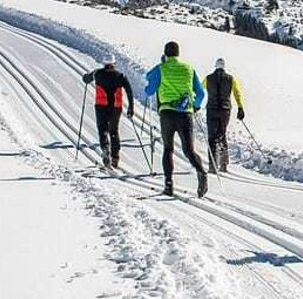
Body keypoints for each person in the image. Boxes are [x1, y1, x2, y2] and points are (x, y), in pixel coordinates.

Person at [145, 41, 208, 197]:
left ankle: (168, 185)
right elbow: (201, 93)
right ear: (178, 53)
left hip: (167, 113)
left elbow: (149, 89)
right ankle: (202, 173)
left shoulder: (161, 69)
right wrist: (196, 106)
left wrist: (161, 65)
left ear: (165, 54)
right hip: (185, 113)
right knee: (189, 150)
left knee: (168, 149)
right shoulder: (189, 69)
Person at [82, 54, 133, 170]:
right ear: (114, 63)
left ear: (104, 63)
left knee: (103, 130)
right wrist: (131, 107)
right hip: (116, 107)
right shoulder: (121, 76)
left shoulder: (97, 73)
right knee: (114, 130)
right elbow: (129, 91)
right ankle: (115, 157)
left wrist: (85, 77)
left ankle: (105, 150)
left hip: (101, 106)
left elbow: (86, 79)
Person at [204, 58, 246, 174]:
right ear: (224, 67)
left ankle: (212, 165)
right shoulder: (230, 79)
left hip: (212, 110)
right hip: (225, 110)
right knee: (222, 134)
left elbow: (201, 91)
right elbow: (237, 93)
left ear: (215, 66)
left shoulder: (208, 78)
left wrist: (195, 104)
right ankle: (223, 163)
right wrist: (240, 107)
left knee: (212, 137)